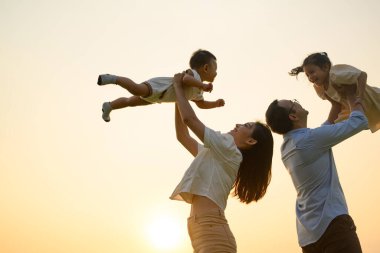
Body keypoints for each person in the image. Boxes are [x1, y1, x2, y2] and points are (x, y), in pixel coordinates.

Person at [170, 73, 273, 252]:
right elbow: (183, 136)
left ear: (251, 141)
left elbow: (190, 120)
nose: (238, 124)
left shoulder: (230, 150)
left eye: (246, 126)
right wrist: (180, 96)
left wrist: (178, 88)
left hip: (212, 230)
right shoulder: (218, 154)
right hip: (202, 229)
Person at [265, 86, 369, 252]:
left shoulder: (287, 147)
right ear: (293, 116)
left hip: (309, 236)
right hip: (333, 225)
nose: (296, 102)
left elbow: (325, 130)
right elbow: (359, 121)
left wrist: (334, 104)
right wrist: (351, 95)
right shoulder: (311, 140)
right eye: (293, 102)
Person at [97, 49, 225, 122]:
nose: (217, 72)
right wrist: (202, 85)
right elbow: (185, 80)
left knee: (130, 102)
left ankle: (109, 106)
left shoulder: (198, 93)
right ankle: (112, 78)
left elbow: (201, 104)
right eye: (216, 68)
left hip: (160, 97)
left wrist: (215, 103)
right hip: (160, 86)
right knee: (136, 89)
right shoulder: (194, 75)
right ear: (206, 68)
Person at [289, 52, 380, 132]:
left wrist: (360, 97)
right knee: (335, 127)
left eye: (312, 72)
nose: (310, 77)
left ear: (325, 67)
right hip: (360, 108)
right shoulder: (320, 88)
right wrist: (329, 125)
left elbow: (362, 75)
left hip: (375, 99)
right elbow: (336, 105)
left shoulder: (335, 74)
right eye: (307, 75)